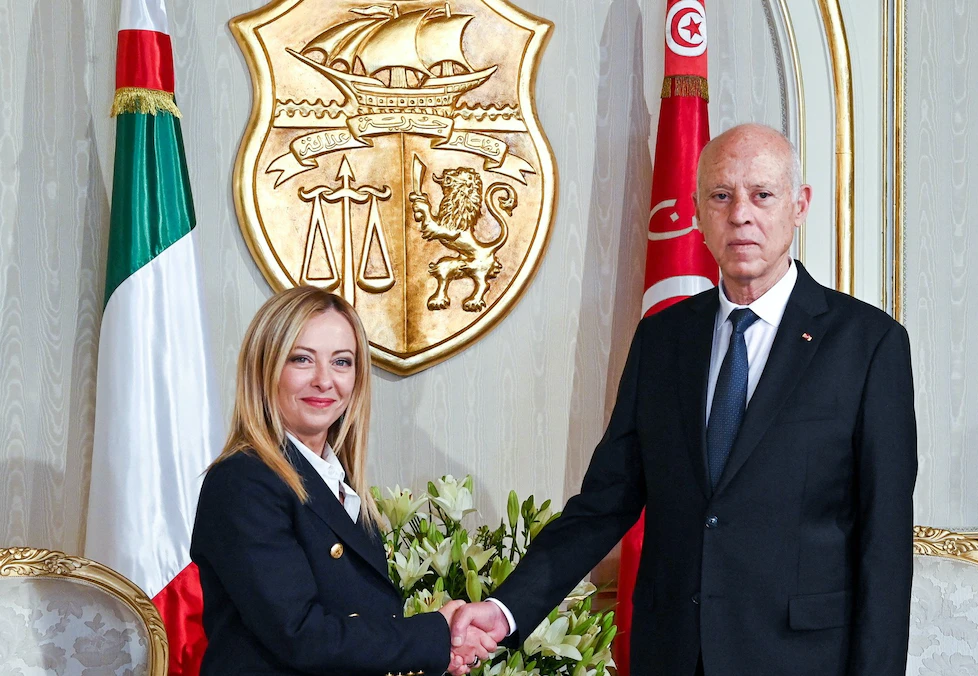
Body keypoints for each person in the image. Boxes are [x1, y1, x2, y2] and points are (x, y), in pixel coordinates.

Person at [448, 124, 918, 675]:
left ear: (799, 206)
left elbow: (885, 543)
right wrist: (505, 610)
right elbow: (605, 502)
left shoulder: (868, 345)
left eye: (762, 195)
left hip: (802, 658)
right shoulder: (663, 339)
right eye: (721, 195)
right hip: (672, 654)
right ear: (696, 211)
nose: (740, 214)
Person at [190, 286, 493, 675]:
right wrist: (435, 636)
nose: (324, 380)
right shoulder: (243, 481)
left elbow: (360, 621)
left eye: (341, 362)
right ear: (265, 369)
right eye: (301, 359)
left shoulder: (337, 482)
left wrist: (437, 647)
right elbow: (301, 636)